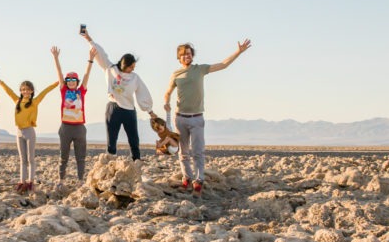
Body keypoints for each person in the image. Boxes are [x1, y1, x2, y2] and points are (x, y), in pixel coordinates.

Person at [164, 39, 252, 195]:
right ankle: (187, 179)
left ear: (192, 56)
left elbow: (223, 65)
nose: (187, 57)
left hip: (197, 118)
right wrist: (166, 102)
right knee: (183, 152)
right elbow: (168, 92)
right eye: (183, 55)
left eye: (189, 54)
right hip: (180, 118)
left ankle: (199, 180)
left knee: (198, 151)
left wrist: (238, 52)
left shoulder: (200, 69)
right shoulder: (176, 74)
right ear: (179, 58)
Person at [81, 27, 157, 159]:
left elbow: (142, 93)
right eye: (130, 67)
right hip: (113, 108)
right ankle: (110, 164)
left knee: (134, 140)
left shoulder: (135, 77)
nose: (132, 69)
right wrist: (88, 38)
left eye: (134, 67)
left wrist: (150, 111)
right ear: (123, 64)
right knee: (112, 140)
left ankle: (136, 164)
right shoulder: (111, 69)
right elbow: (101, 54)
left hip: (129, 111)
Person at [0, 68, 57, 192]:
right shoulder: (17, 101)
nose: (25, 91)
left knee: (30, 158)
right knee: (22, 159)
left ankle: (30, 182)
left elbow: (45, 91)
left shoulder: (34, 102)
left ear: (32, 91)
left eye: (28, 89)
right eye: (23, 89)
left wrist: (57, 83)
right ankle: (22, 182)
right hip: (19, 132)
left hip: (29, 132)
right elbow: (9, 91)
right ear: (21, 91)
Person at [51, 45, 95, 183]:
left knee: (80, 157)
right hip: (65, 128)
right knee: (63, 156)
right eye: (68, 80)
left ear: (77, 82)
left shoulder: (81, 91)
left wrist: (91, 59)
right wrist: (56, 58)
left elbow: (87, 75)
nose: (70, 82)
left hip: (79, 128)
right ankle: (61, 180)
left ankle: (80, 180)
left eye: (73, 80)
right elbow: (59, 72)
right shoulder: (64, 90)